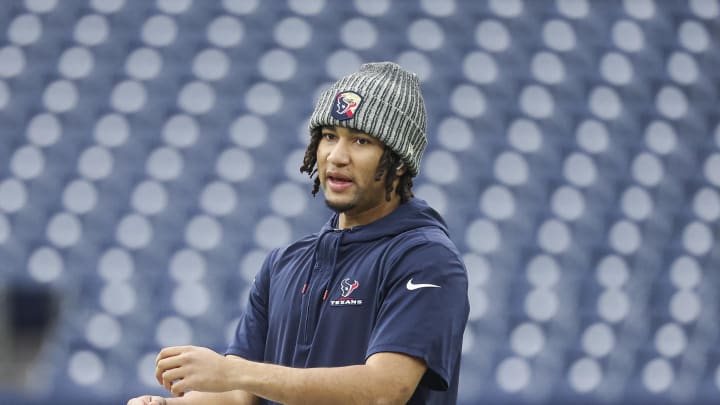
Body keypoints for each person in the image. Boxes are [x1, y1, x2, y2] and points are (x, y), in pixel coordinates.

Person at [128, 62, 469, 405]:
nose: (337, 156)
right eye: (329, 136)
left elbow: (384, 390)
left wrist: (234, 372)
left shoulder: (427, 258)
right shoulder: (283, 263)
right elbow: (242, 396)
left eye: (361, 140)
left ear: (398, 161)